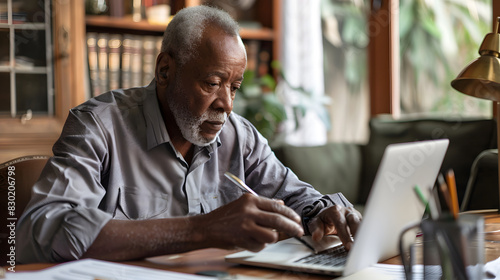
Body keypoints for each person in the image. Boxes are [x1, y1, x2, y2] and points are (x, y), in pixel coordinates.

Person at [16, 5, 361, 263]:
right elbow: (45, 230)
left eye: (235, 87)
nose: (226, 104)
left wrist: (324, 211)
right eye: (212, 83)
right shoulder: (98, 125)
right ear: (165, 70)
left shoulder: (240, 136)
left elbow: (296, 197)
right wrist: (202, 229)